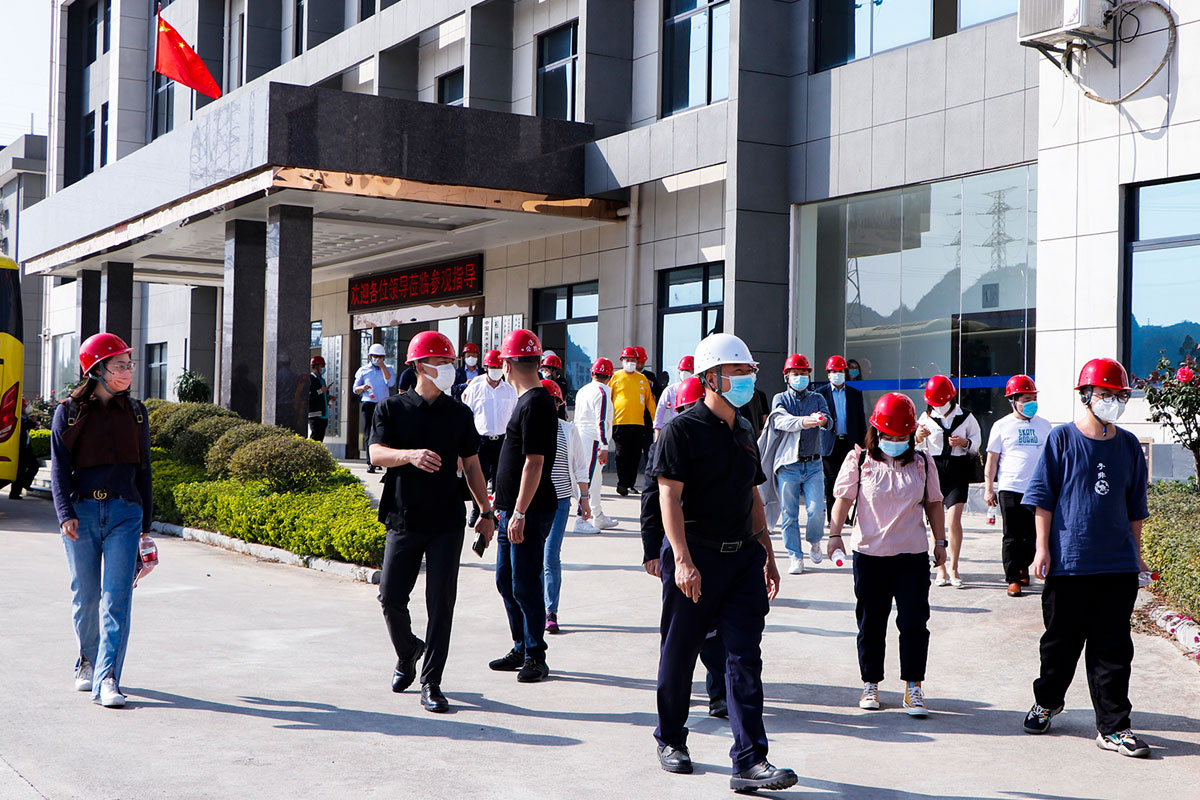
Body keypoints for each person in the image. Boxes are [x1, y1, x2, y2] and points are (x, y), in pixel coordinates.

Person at [649, 332, 796, 793]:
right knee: (680, 653)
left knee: (744, 659)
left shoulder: (746, 429)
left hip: (742, 561)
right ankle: (670, 738)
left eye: (749, 371)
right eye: (738, 371)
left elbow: (753, 496)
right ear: (710, 377)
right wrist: (682, 560)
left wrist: (768, 554)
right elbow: (668, 498)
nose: (747, 378)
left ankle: (750, 761)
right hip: (696, 558)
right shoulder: (681, 430)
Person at [1019, 358, 1151, 758]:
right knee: (1059, 645)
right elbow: (1043, 498)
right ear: (1086, 396)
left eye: (1119, 395)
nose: (1113, 401)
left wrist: (1137, 556)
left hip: (1116, 565)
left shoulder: (1129, 445)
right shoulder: (1061, 439)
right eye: (1105, 394)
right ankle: (1048, 701)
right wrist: (1042, 548)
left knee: (1113, 650)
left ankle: (1114, 727)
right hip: (1070, 563)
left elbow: (1135, 507)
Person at [369, 331, 496, 714]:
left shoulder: (459, 414)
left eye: (450, 363)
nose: (449, 369)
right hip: (403, 517)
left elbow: (472, 465)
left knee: (441, 603)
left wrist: (485, 512)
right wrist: (409, 455)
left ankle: (432, 681)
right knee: (391, 597)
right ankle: (408, 651)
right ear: (420, 366)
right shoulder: (391, 408)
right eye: (442, 363)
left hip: (446, 521)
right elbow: (376, 453)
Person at [50, 333, 154, 708]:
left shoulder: (136, 412)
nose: (127, 371)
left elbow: (144, 470)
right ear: (96, 370)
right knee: (86, 596)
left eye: (129, 364)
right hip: (82, 516)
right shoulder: (68, 412)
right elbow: (59, 470)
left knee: (117, 598)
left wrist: (146, 529)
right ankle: (88, 659)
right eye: (119, 365)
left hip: (126, 513)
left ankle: (108, 678)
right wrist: (65, 514)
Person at [828, 392, 947, 717]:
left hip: (911, 555)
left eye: (901, 437)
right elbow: (843, 499)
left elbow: (935, 503)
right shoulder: (859, 460)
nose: (894, 442)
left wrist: (940, 542)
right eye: (888, 436)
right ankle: (871, 683)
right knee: (871, 623)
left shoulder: (923, 462)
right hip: (870, 555)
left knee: (914, 623)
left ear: (911, 434)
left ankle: (913, 687)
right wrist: (835, 535)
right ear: (876, 432)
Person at [640, 377, 728, 719]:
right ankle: (677, 690)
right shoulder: (668, 442)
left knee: (716, 628)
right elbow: (652, 500)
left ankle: (719, 694)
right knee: (679, 630)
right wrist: (651, 551)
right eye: (685, 409)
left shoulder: (721, 437)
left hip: (716, 546)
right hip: (679, 547)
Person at [488, 329, 560, 683]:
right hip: (509, 510)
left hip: (528, 511)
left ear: (508, 364)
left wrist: (519, 512)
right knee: (506, 581)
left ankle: (535, 655)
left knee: (525, 583)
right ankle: (520, 645)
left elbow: (535, 462)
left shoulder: (535, 403)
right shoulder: (527, 400)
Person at [759, 354, 832, 575]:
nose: (799, 377)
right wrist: (804, 422)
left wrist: (822, 419)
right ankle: (795, 556)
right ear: (787, 376)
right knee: (789, 514)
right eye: (795, 373)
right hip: (788, 465)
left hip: (813, 464)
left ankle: (814, 540)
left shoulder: (817, 398)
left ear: (809, 375)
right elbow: (780, 420)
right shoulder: (780, 399)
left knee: (816, 510)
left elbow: (828, 421)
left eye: (803, 373)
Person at [985, 375, 1052, 597]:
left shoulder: (1044, 425)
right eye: (1026, 399)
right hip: (1010, 486)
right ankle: (1013, 578)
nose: (1032, 403)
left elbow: (1051, 457)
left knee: (1033, 534)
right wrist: (989, 488)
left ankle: (1024, 566)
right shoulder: (1001, 426)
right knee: (1012, 535)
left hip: (1037, 488)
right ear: (1013, 401)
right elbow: (992, 459)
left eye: (1034, 398)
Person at [915, 375, 980, 588]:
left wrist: (964, 442)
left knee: (953, 519)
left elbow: (976, 443)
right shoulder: (925, 417)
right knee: (937, 522)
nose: (938, 405)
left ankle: (954, 567)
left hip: (957, 469)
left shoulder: (966, 416)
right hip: (934, 469)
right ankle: (941, 568)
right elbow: (916, 446)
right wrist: (918, 436)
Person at [540, 379, 591, 634]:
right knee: (533, 557)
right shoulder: (528, 427)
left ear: (559, 404)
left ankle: (551, 611)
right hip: (532, 503)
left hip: (559, 503)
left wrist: (585, 498)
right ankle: (535, 608)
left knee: (550, 557)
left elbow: (580, 466)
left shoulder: (569, 431)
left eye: (552, 401)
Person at [460, 348, 517, 526]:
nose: (496, 370)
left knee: (501, 479)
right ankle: (477, 509)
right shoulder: (475, 388)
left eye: (499, 367)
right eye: (493, 367)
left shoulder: (509, 390)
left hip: (502, 440)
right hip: (481, 440)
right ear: (486, 367)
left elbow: (514, 415)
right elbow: (467, 414)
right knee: (479, 478)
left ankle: (497, 512)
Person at [818, 355, 867, 523]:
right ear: (828, 374)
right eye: (833, 372)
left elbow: (860, 420)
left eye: (840, 371)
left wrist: (863, 443)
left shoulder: (854, 394)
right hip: (829, 444)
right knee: (832, 481)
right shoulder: (820, 394)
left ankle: (847, 515)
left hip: (849, 442)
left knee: (850, 479)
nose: (837, 374)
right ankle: (834, 518)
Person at [572, 357, 618, 533]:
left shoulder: (583, 390)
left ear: (592, 373)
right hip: (593, 439)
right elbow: (601, 421)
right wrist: (604, 445)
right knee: (588, 478)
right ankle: (580, 519)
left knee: (595, 479)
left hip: (582, 436)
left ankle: (597, 515)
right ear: (610, 376)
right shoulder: (602, 392)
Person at [610, 346, 656, 496]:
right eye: (627, 360)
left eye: (633, 360)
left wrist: (656, 420)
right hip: (620, 422)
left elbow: (650, 402)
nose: (630, 362)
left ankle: (630, 483)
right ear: (622, 361)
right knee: (621, 454)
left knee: (635, 455)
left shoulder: (642, 379)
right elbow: (608, 399)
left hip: (638, 423)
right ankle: (622, 483)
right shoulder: (615, 377)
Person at [353, 342, 396, 473]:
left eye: (380, 357)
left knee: (383, 432)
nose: (377, 359)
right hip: (368, 404)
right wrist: (363, 387)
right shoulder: (363, 370)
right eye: (375, 356)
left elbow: (391, 382)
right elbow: (355, 389)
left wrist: (382, 367)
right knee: (368, 433)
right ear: (370, 356)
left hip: (383, 405)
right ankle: (370, 462)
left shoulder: (388, 369)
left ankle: (380, 461)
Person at [654, 356, 694, 435]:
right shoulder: (671, 390)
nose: (684, 373)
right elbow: (660, 412)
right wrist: (657, 433)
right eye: (682, 370)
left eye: (687, 370)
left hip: (695, 429)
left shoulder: (702, 388)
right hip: (676, 430)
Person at [9, 400, 38, 500]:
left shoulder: (25, 419)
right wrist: (31, 421)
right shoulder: (17, 418)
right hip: (19, 450)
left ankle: (25, 483)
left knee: (34, 466)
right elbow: (23, 426)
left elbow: (30, 425)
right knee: (20, 472)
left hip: (26, 449)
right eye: (25, 406)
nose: (26, 408)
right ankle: (15, 493)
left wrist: (33, 421)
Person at [308, 356, 336, 442]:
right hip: (315, 414)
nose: (323, 368)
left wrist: (329, 397)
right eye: (322, 366)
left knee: (320, 437)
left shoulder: (322, 380)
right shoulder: (310, 378)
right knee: (315, 436)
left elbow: (323, 395)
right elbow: (308, 396)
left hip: (323, 413)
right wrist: (320, 391)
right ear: (316, 366)